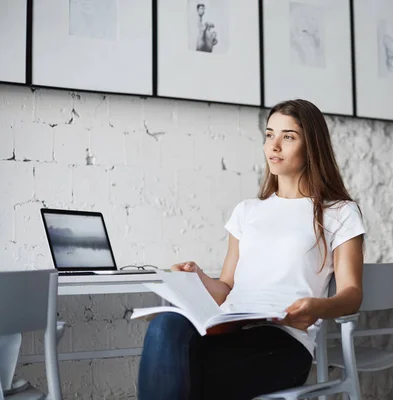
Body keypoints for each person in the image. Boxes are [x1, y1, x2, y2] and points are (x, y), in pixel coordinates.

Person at [137, 99, 366, 399]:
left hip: (282, 341)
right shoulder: (247, 211)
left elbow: (351, 294)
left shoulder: (339, 212)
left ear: (312, 146)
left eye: (288, 137)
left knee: (177, 373)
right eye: (270, 135)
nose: (274, 146)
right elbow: (227, 288)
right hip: (229, 331)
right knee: (165, 326)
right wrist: (198, 278)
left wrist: (317, 307)